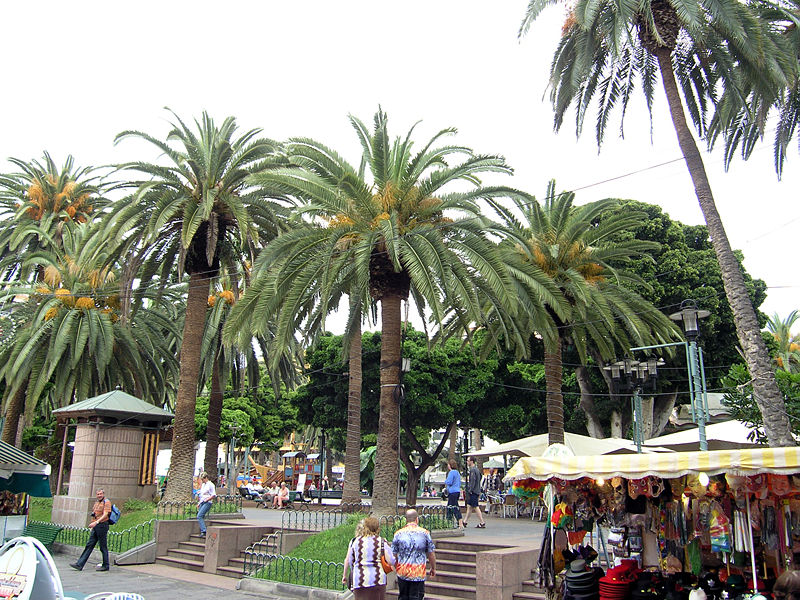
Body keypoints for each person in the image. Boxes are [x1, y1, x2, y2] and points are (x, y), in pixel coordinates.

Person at [342, 517, 395, 599]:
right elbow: (391, 560)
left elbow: (350, 561)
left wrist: (353, 571)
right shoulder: (381, 541)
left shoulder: (355, 541)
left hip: (359, 579)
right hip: (378, 579)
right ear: (377, 528)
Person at [392, 509, 436, 600]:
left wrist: (396, 566)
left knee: (403, 597)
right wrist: (433, 567)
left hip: (403, 571)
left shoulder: (398, 534)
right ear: (417, 519)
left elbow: (394, 554)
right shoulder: (425, 533)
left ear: (406, 519)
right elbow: (431, 553)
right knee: (416, 597)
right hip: (418, 572)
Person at [70, 489, 112, 571]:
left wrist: (96, 522)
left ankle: (106, 565)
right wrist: (93, 524)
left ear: (103, 494)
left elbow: (105, 514)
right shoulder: (97, 503)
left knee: (103, 546)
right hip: (96, 526)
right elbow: (94, 515)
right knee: (89, 545)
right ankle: (79, 564)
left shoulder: (106, 502)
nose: (99, 495)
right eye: (98, 494)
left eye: (100, 494)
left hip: (102, 525)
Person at [463, 457, 486, 528]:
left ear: (471, 461)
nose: (467, 462)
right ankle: (465, 521)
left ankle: (482, 522)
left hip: (473, 491)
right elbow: (480, 477)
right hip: (476, 490)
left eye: (468, 461)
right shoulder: (477, 470)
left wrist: (470, 490)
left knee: (475, 506)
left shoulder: (473, 470)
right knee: (469, 506)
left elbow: (472, 481)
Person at [445, 459, 464, 529]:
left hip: (452, 492)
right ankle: (450, 522)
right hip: (457, 491)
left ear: (450, 465)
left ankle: (460, 523)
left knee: (454, 507)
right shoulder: (457, 472)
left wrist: (446, 481)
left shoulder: (451, 472)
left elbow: (449, 482)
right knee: (450, 507)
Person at [196, 472, 216, 538]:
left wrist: (207, 499)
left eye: (203, 479)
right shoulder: (203, 485)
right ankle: (203, 529)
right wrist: (199, 503)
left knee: (199, 516)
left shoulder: (211, 485)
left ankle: (204, 530)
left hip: (207, 502)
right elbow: (202, 495)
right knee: (200, 515)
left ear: (206, 478)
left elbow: (213, 495)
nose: (202, 481)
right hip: (202, 501)